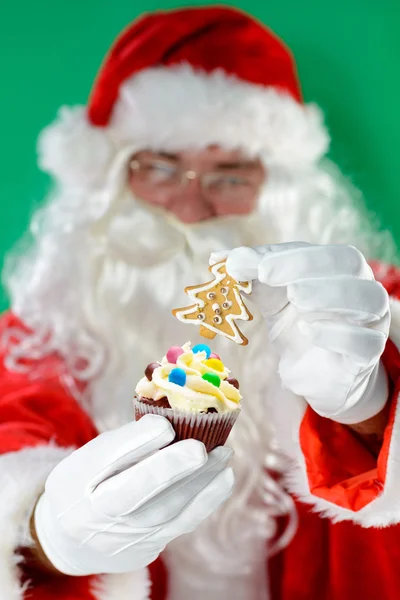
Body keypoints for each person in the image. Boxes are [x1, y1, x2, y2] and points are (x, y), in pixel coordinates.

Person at [1, 5, 400, 600]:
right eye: (160, 168)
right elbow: (13, 427)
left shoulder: (368, 307)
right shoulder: (42, 330)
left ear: (284, 190)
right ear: (107, 183)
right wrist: (44, 533)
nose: (191, 209)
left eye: (230, 174)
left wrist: (369, 406)